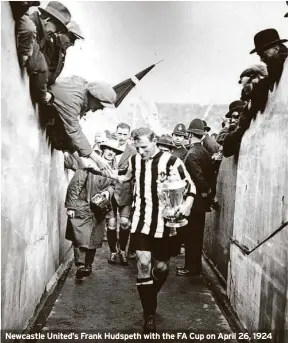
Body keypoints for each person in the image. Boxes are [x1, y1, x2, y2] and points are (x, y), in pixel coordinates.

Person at [115, 127, 195, 332]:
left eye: (144, 147)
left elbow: (190, 187)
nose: (141, 152)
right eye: (137, 148)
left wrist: (187, 205)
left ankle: (150, 294)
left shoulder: (171, 161)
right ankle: (149, 313)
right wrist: (104, 170)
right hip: (141, 221)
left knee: (161, 268)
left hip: (165, 224)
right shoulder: (134, 160)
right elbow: (125, 177)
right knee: (142, 263)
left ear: (154, 141)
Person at [46, 76, 117, 174]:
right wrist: (97, 159)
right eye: (101, 105)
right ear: (93, 97)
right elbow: (74, 131)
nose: (101, 109)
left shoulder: (81, 87)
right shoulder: (73, 101)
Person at [176, 119, 214, 277]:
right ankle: (194, 267)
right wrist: (208, 193)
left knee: (191, 236)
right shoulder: (203, 151)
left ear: (190, 134)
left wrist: (205, 191)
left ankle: (191, 268)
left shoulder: (191, 154)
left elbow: (197, 179)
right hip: (201, 202)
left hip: (194, 201)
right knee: (196, 236)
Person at [65, 162, 115, 279]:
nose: (110, 153)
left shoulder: (111, 170)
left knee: (94, 239)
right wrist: (71, 207)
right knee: (81, 238)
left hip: (99, 208)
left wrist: (107, 192)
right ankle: (80, 266)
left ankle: (88, 265)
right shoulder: (88, 166)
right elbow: (74, 186)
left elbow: (113, 184)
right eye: (108, 149)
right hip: (83, 207)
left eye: (113, 152)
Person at [105, 123, 136, 265]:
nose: (122, 137)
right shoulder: (109, 148)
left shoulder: (133, 152)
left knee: (124, 223)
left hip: (125, 192)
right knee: (111, 223)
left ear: (129, 135)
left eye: (125, 134)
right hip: (109, 191)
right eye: (120, 133)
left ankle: (122, 250)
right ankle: (113, 252)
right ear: (115, 133)